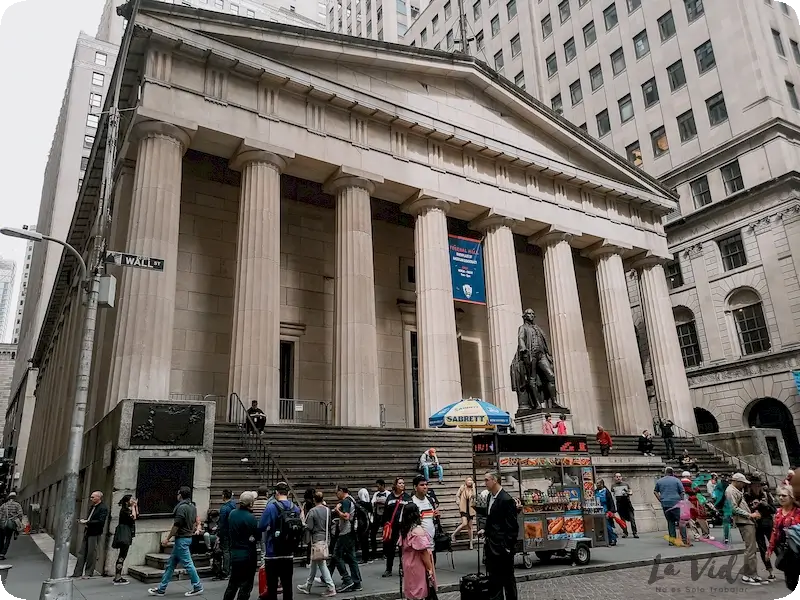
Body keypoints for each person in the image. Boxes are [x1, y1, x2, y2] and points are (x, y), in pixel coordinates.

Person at [148, 486, 204, 597]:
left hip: (181, 539)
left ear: (181, 495)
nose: (177, 495)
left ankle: (197, 586)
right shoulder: (192, 506)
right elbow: (194, 521)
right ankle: (161, 588)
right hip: (186, 538)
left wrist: (167, 538)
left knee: (188, 564)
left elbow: (176, 525)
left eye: (178, 493)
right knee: (171, 565)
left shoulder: (181, 508)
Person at [260, 482, 302, 600]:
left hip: (272, 552)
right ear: (288, 493)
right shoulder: (295, 508)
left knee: (272, 586)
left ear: (276, 493)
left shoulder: (271, 507)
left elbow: (262, 526)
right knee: (287, 585)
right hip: (289, 551)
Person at [480, 471, 519, 600]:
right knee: (494, 580)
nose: (484, 483)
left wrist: (506, 546)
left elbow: (512, 526)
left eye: (487, 480)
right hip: (492, 546)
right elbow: (493, 520)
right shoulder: (490, 497)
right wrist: (485, 531)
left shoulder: (506, 499)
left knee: (508, 580)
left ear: (495, 480)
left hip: (502, 548)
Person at [726, 472, 764, 585]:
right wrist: (750, 515)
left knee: (751, 549)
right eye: (742, 483)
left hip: (746, 520)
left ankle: (752, 573)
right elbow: (733, 508)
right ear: (737, 481)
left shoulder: (735, 490)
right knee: (750, 549)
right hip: (744, 521)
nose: (744, 485)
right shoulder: (730, 491)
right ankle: (749, 574)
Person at [222, 491, 260, 600]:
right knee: (246, 585)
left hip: (235, 552)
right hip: (248, 554)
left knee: (233, 583)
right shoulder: (251, 518)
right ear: (251, 504)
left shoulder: (232, 514)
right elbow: (257, 536)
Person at [298, 491, 336, 597]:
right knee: (314, 562)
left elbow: (309, 526)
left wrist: (302, 520)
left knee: (321, 563)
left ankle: (331, 587)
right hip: (325, 538)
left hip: (316, 539)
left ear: (314, 500)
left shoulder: (312, 511)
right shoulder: (327, 510)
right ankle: (308, 585)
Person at [766, 485, 800, 594]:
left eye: (784, 495)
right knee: (790, 582)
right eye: (779, 495)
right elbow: (774, 532)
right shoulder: (778, 512)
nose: (781, 498)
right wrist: (770, 549)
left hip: (798, 549)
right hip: (786, 551)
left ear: (791, 497)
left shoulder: (798, 512)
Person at [399, 503, 436, 600]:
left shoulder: (405, 530)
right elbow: (423, 552)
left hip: (408, 563)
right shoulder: (417, 530)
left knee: (411, 591)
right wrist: (429, 569)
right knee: (420, 591)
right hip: (417, 564)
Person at [331, 485, 362, 592]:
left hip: (346, 532)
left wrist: (337, 510)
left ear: (341, 491)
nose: (336, 494)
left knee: (336, 555)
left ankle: (347, 580)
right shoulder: (351, 500)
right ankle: (356, 582)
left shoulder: (345, 502)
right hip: (351, 532)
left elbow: (346, 516)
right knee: (352, 558)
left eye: (336, 492)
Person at [746, 475, 777, 581]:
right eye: (752, 485)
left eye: (757, 485)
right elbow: (745, 511)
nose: (755, 487)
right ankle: (770, 571)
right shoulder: (746, 496)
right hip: (757, 525)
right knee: (762, 548)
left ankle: (785, 567)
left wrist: (765, 505)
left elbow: (774, 509)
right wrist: (752, 508)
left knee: (775, 546)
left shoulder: (766, 494)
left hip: (768, 523)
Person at [72, 490, 109, 579]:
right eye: (91, 497)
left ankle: (88, 573)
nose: (91, 498)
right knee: (82, 552)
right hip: (88, 531)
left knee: (91, 553)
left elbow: (101, 521)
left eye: (93, 497)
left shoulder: (103, 508)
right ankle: (77, 572)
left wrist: (87, 522)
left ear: (98, 498)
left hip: (95, 532)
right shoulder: (92, 507)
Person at [382, 477, 411, 577]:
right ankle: (388, 569)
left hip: (403, 527)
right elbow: (386, 512)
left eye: (403, 483)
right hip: (392, 527)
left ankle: (402, 568)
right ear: (395, 485)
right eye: (399, 483)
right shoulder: (390, 497)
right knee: (390, 549)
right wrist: (385, 524)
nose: (402, 485)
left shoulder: (407, 497)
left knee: (402, 549)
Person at [654, 467, 687, 546]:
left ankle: (672, 540)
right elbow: (682, 492)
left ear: (665, 473)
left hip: (665, 503)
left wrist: (660, 499)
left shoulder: (659, 481)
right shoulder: (676, 480)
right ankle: (684, 540)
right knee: (681, 521)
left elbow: (655, 491)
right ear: (672, 473)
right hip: (676, 502)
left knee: (670, 521)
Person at [111, 495, 138, 585]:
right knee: (122, 555)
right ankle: (117, 577)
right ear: (127, 501)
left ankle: (118, 576)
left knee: (123, 555)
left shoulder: (127, 509)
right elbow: (133, 517)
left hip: (126, 532)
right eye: (131, 500)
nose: (133, 501)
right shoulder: (124, 510)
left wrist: (135, 506)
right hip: (124, 533)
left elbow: (136, 514)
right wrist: (133, 506)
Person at [410, 476, 437, 560]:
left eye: (426, 484)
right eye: (422, 485)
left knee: (432, 568)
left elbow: (432, 517)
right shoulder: (411, 502)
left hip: (431, 541)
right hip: (419, 543)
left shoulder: (430, 500)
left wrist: (435, 515)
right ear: (415, 487)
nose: (425, 487)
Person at [215, 489, 238, 581]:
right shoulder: (234, 506)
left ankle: (225, 571)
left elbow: (222, 523)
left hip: (225, 532)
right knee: (230, 551)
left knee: (225, 551)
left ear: (224, 495)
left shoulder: (224, 508)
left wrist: (218, 534)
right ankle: (230, 570)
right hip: (233, 531)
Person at [611, 473, 637, 539]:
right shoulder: (613, 486)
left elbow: (631, 492)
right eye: (617, 477)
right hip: (620, 504)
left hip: (627, 503)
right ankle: (625, 532)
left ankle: (635, 532)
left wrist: (627, 493)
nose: (618, 478)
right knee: (622, 519)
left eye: (619, 476)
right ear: (614, 478)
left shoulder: (626, 484)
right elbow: (613, 492)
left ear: (621, 477)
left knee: (632, 518)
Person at [452, 476, 475, 549]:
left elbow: (474, 496)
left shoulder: (472, 489)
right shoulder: (462, 487)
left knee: (470, 527)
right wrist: (458, 503)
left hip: (470, 508)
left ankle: (471, 542)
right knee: (464, 523)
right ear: (466, 481)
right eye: (468, 480)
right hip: (463, 508)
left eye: (471, 480)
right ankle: (453, 534)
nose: (470, 481)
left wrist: (474, 487)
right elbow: (457, 495)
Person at [0, 492, 24, 560]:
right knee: (8, 539)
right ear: (15, 497)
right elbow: (20, 514)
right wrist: (18, 523)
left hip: (2, 524)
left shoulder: (4, 505)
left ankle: (0, 551)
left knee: (1, 539)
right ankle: (2, 554)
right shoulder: (17, 505)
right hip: (10, 524)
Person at [595, 480, 618, 545]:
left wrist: (610, 512)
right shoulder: (595, 491)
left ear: (601, 484)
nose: (596, 485)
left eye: (598, 483)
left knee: (607, 526)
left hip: (605, 510)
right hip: (597, 510)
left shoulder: (606, 492)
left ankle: (613, 538)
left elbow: (611, 502)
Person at [370, 479, 389, 561]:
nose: (377, 488)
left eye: (378, 486)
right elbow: (372, 502)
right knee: (373, 534)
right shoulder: (376, 494)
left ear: (382, 485)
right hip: (377, 515)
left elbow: (389, 503)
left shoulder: (388, 494)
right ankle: (374, 552)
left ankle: (385, 553)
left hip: (385, 516)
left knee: (385, 534)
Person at [356, 488, 373, 564]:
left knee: (363, 541)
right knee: (365, 541)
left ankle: (364, 557)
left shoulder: (359, 504)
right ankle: (366, 556)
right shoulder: (369, 504)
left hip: (362, 524)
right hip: (367, 523)